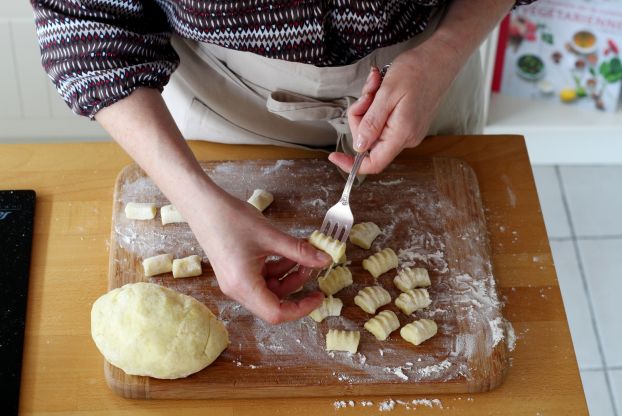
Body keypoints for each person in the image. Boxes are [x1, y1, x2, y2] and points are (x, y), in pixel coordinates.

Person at [32, 0, 534, 324]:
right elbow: (84, 22)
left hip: (431, 67)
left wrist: (445, 51)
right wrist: (197, 200)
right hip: (224, 97)